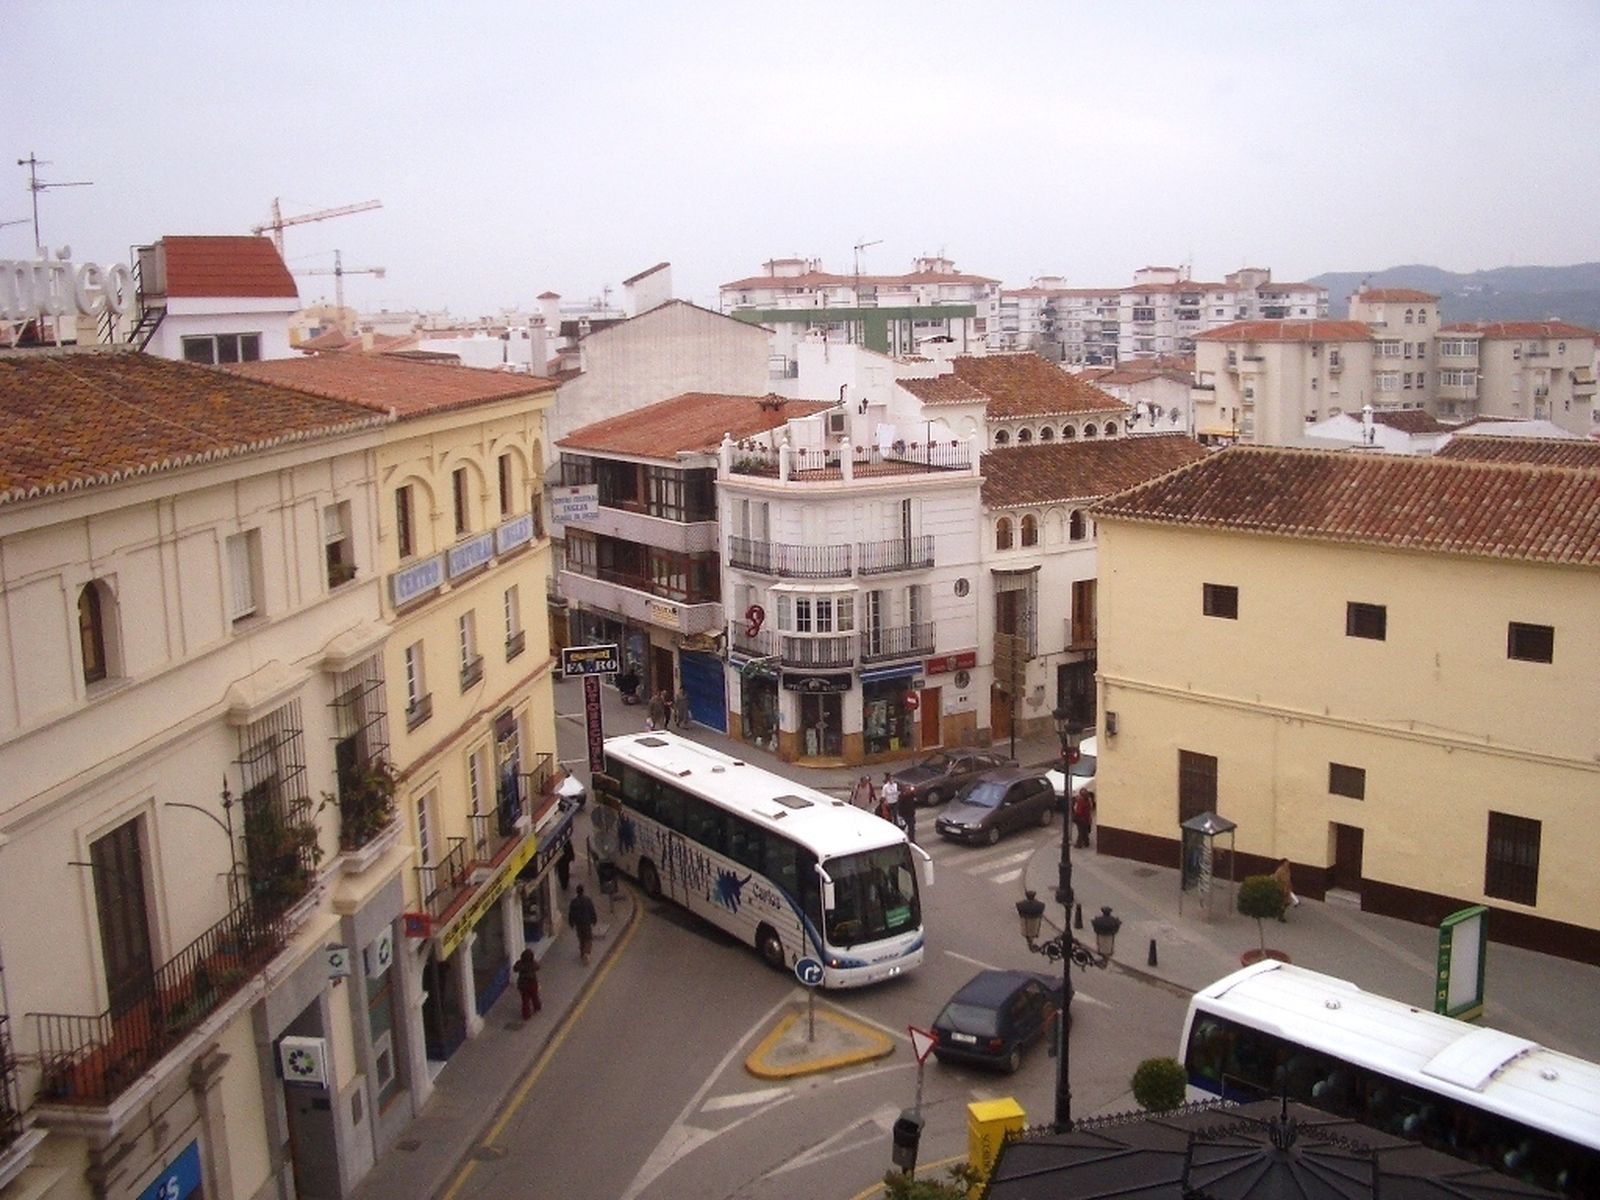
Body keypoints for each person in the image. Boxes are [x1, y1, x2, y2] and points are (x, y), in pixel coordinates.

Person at [568, 883, 599, 964]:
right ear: (583, 891)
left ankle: (582, 953)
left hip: (578, 923)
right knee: (588, 938)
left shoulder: (573, 902)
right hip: (586, 922)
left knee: (581, 938)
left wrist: (571, 923)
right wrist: (594, 920)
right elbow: (592, 910)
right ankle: (586, 953)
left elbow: (571, 913)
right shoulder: (587, 900)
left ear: (577, 891)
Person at [514, 946, 542, 1019]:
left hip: (523, 984)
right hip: (532, 983)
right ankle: (537, 1006)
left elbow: (515, 969)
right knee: (534, 996)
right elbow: (538, 967)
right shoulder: (533, 964)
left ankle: (526, 1014)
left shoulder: (520, 963)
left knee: (525, 1000)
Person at [896, 780, 918, 844]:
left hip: (911, 814)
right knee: (905, 827)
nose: (909, 790)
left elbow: (915, 798)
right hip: (905, 815)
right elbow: (900, 806)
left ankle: (912, 839)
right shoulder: (902, 797)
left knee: (912, 827)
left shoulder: (911, 795)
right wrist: (900, 815)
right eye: (907, 789)